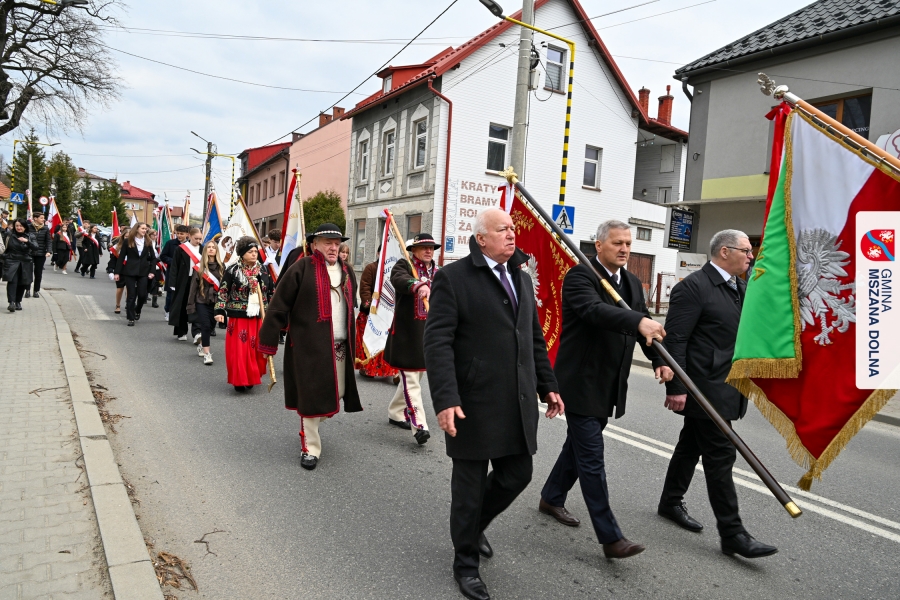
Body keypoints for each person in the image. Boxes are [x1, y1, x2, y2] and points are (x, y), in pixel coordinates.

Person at [424, 208, 563, 600]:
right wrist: (446, 398)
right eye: (502, 229)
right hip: (471, 402)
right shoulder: (453, 278)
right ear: (481, 239)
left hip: (515, 400)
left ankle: (472, 528)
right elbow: (437, 342)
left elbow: (533, 338)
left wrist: (548, 385)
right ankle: (465, 563)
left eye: (513, 228)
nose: (512, 234)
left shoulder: (520, 277)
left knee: (518, 474)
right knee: (468, 490)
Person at [538, 220, 672, 561]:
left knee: (577, 447)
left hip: (610, 383)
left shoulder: (631, 282)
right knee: (591, 457)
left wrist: (658, 360)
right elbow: (594, 311)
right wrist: (638, 321)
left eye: (628, 243)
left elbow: (643, 325)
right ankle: (611, 537)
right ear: (599, 246)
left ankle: (551, 497)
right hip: (580, 383)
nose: (625, 249)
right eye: (617, 243)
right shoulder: (581, 276)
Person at [659, 229, 777, 559]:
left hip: (729, 383)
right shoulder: (693, 287)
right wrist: (677, 387)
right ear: (724, 252)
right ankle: (733, 534)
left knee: (690, 445)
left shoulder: (741, 286)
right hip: (703, 387)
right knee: (722, 454)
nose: (751, 256)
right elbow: (675, 339)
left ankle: (669, 501)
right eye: (746, 250)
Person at [258, 223, 361, 471]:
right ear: (314, 244)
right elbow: (278, 305)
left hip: (340, 347)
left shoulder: (347, 271)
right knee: (312, 398)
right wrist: (269, 341)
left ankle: (311, 421)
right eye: (327, 243)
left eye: (336, 243)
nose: (333, 247)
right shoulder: (301, 268)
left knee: (337, 393)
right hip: (308, 348)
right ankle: (310, 447)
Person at [384, 233, 440, 445]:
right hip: (407, 337)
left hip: (428, 336)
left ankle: (395, 411)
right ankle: (420, 425)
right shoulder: (404, 265)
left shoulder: (438, 272)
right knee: (411, 380)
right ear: (413, 250)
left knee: (414, 378)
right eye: (424, 247)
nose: (428, 251)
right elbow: (398, 279)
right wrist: (417, 285)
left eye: (431, 247)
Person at [214, 236, 274, 391]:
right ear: (242, 253)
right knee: (239, 350)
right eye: (250, 251)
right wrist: (219, 310)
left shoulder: (264, 270)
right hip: (238, 316)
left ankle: (251, 377)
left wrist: (273, 312)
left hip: (258, 316)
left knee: (256, 349)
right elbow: (223, 290)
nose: (254, 254)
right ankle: (239, 379)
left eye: (255, 251)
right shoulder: (233, 270)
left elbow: (271, 292)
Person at [354, 245, 399, 382]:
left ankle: (392, 371)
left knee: (386, 342)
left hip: (388, 313)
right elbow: (365, 287)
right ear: (378, 253)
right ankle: (368, 368)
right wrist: (369, 306)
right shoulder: (371, 268)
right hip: (370, 312)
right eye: (382, 252)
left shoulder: (395, 270)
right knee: (368, 340)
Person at [187, 241, 222, 365]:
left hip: (216, 302)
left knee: (211, 327)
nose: (211, 249)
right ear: (205, 250)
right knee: (205, 326)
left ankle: (202, 344)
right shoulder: (199, 267)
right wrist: (190, 305)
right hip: (201, 300)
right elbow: (193, 288)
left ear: (217, 250)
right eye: (209, 247)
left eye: (213, 247)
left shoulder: (222, 267)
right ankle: (207, 354)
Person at [115, 223, 156, 326]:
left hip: (143, 271)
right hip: (130, 271)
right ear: (137, 229)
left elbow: (153, 258)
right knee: (131, 295)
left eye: (145, 229)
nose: (144, 230)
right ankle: (131, 317)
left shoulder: (148, 241)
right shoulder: (128, 241)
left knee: (142, 295)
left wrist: (152, 271)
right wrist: (117, 272)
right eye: (142, 228)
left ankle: (138, 310)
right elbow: (121, 257)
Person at [168, 227, 202, 341]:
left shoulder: (203, 249)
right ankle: (181, 331)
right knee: (182, 306)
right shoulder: (181, 249)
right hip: (183, 280)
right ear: (190, 236)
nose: (198, 241)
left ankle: (197, 332)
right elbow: (174, 266)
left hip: (197, 281)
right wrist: (172, 283)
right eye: (196, 238)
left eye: (200, 239)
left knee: (197, 305)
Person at [3, 219, 39, 312]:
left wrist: (27, 241)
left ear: (25, 226)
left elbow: (36, 247)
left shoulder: (30, 235)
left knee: (22, 282)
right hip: (12, 260)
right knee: (12, 281)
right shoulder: (9, 234)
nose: (19, 228)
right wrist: (5, 257)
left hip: (25, 261)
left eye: (21, 226)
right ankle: (11, 303)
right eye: (17, 226)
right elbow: (3, 247)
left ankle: (18, 301)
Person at [159, 224, 190, 320]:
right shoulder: (170, 243)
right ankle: (168, 310)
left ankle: (179, 312)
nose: (179, 235)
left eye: (182, 234)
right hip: (172, 272)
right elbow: (163, 256)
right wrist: (173, 262)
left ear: (187, 234)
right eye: (178, 233)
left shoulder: (190, 245)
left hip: (185, 273)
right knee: (170, 293)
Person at [25, 213, 52, 298]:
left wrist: (49, 251)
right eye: (41, 218)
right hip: (29, 253)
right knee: (28, 272)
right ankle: (27, 290)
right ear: (35, 218)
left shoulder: (45, 228)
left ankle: (36, 291)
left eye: (43, 218)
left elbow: (48, 241)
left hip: (40, 254)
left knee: (38, 273)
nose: (43, 219)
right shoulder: (28, 227)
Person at [106, 226, 130, 314]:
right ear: (123, 236)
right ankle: (118, 305)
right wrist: (111, 270)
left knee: (129, 288)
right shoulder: (117, 247)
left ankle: (128, 303)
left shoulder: (135, 246)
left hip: (130, 270)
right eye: (126, 236)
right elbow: (113, 260)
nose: (127, 238)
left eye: (129, 236)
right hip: (120, 270)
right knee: (120, 288)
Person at [147, 229, 162, 308]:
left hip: (156, 266)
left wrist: (158, 259)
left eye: (156, 235)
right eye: (153, 235)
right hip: (148, 266)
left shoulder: (157, 244)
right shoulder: (146, 243)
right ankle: (144, 297)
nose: (155, 236)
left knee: (155, 283)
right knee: (146, 282)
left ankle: (154, 301)